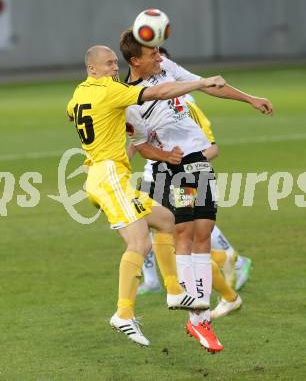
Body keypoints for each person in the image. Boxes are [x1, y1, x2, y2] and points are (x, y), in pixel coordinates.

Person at [120, 30, 272, 352]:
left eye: (160, 51)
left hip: (197, 162)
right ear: (135, 61)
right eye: (152, 54)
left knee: (204, 231)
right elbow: (141, 145)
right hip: (171, 169)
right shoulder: (130, 99)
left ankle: (202, 312)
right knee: (183, 233)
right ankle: (199, 316)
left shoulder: (167, 67)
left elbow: (209, 84)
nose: (159, 57)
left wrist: (250, 99)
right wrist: (164, 156)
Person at [66, 45, 226, 347]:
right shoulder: (111, 92)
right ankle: (123, 314)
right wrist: (202, 83)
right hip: (109, 176)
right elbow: (158, 93)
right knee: (139, 242)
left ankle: (175, 290)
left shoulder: (79, 94)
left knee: (166, 220)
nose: (115, 68)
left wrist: (158, 151)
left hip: (109, 178)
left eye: (116, 62)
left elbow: (73, 115)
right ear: (93, 68)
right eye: (109, 63)